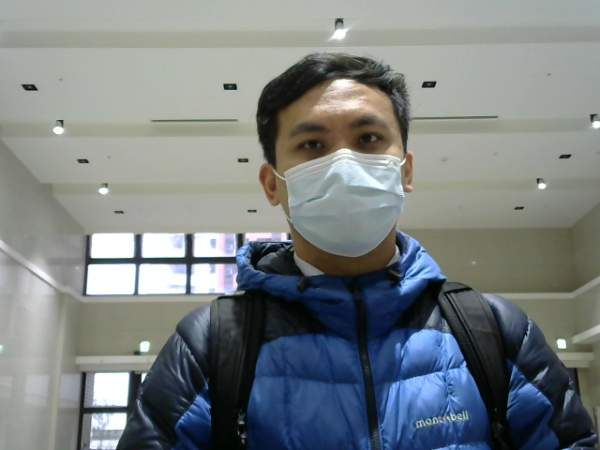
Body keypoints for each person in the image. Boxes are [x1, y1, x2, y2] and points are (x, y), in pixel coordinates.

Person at [117, 53, 598, 449]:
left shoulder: (493, 330)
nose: (343, 163)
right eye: (312, 144)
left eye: (368, 139)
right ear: (272, 184)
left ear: (405, 171)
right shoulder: (210, 344)